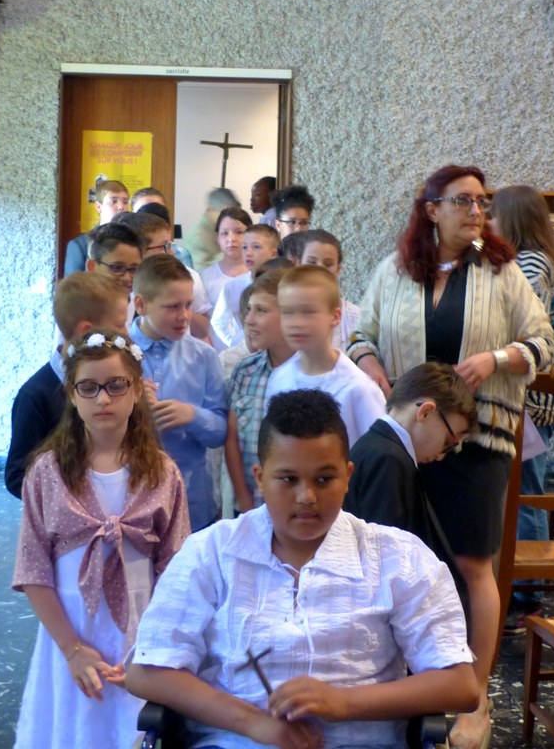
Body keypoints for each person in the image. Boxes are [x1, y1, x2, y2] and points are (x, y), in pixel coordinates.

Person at [125, 390, 477, 749]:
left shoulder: (398, 557)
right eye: (288, 479)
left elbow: (460, 685)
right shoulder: (211, 552)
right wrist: (254, 723)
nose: (307, 496)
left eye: (324, 479)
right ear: (260, 477)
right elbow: (147, 670)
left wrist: (343, 703)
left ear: (348, 475)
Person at [347, 164, 554, 749]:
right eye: (463, 201)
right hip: (413, 442)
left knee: (471, 562)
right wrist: (371, 365)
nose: (477, 211)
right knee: (406, 556)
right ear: (431, 209)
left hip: (480, 438)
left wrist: (497, 358)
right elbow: (360, 335)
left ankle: (473, 695)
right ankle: (414, 677)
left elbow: (545, 345)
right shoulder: (394, 270)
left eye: (483, 202)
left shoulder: (502, 272)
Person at [12, 332, 190, 749]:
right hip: (71, 629)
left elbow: (178, 573)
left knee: (128, 729)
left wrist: (152, 649)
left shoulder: (163, 473)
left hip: (138, 633)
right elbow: (33, 570)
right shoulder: (47, 472)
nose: (103, 399)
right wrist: (72, 649)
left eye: (116, 385)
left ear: (137, 390)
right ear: (72, 396)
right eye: (88, 387)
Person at [343, 362, 475, 608]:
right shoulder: (388, 460)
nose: (442, 456)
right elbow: (384, 557)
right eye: (449, 442)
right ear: (425, 412)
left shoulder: (382, 449)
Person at [490, 185, 554, 547]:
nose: (487, 223)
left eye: (493, 216)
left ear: (512, 220)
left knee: (525, 492)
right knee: (518, 490)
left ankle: (531, 578)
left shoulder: (532, 265)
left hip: (530, 393)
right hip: (523, 388)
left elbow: (524, 331)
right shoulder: (522, 260)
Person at [5, 271, 129, 499]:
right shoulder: (36, 395)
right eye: (120, 325)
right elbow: (17, 476)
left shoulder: (120, 383)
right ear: (87, 331)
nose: (127, 333)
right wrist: (72, 500)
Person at [128, 255, 229, 530]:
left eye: (188, 304)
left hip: (191, 498)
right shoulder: (118, 354)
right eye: (172, 306)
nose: (184, 315)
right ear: (141, 304)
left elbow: (220, 432)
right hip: (132, 497)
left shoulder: (205, 356)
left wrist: (192, 415)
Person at [265, 266, 383, 449]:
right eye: (287, 312)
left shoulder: (358, 388)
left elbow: (379, 453)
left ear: (335, 317)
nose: (296, 323)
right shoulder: (278, 379)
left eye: (308, 312)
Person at [223, 268, 295, 513]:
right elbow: (232, 437)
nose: (249, 319)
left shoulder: (310, 374)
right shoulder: (245, 370)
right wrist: (243, 498)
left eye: (261, 310)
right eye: (249, 309)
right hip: (250, 504)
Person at [118, 210, 212, 341]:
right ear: (139, 251)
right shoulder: (122, 288)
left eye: (170, 245)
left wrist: (180, 306)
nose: (172, 252)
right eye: (164, 246)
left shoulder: (185, 276)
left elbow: (203, 330)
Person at [209, 224, 280, 351]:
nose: (248, 253)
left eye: (256, 247)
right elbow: (218, 322)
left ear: (273, 254)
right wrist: (234, 343)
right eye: (245, 247)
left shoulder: (281, 286)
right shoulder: (232, 286)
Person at [299, 230, 362, 351]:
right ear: (299, 264)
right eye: (311, 262)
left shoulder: (357, 319)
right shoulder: (285, 315)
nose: (319, 269)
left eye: (328, 264)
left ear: (338, 269)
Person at [63, 180, 132, 276]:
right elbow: (72, 284)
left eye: (125, 202)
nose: (121, 207)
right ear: (99, 207)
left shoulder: (135, 239)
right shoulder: (81, 245)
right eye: (114, 201)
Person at [197, 206, 250, 309]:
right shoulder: (205, 277)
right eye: (225, 233)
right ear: (217, 237)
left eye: (239, 232)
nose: (231, 239)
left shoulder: (258, 275)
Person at [84, 222, 143, 300]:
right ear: (92, 266)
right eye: (117, 268)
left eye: (134, 270)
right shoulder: (78, 305)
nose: (127, 278)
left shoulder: (144, 304)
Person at [184, 188, 240, 270]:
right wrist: (230, 254)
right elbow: (199, 273)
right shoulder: (197, 236)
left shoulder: (223, 230)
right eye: (224, 214)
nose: (229, 220)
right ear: (210, 209)